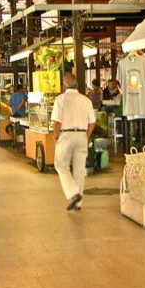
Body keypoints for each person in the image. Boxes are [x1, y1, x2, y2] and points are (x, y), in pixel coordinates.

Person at [52, 73, 96, 211]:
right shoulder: (86, 100)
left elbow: (57, 122)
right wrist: (86, 136)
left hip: (65, 135)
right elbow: (92, 122)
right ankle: (78, 204)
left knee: (61, 165)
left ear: (63, 86)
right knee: (79, 169)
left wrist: (55, 137)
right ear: (77, 85)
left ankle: (73, 193)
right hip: (82, 135)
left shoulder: (60, 99)